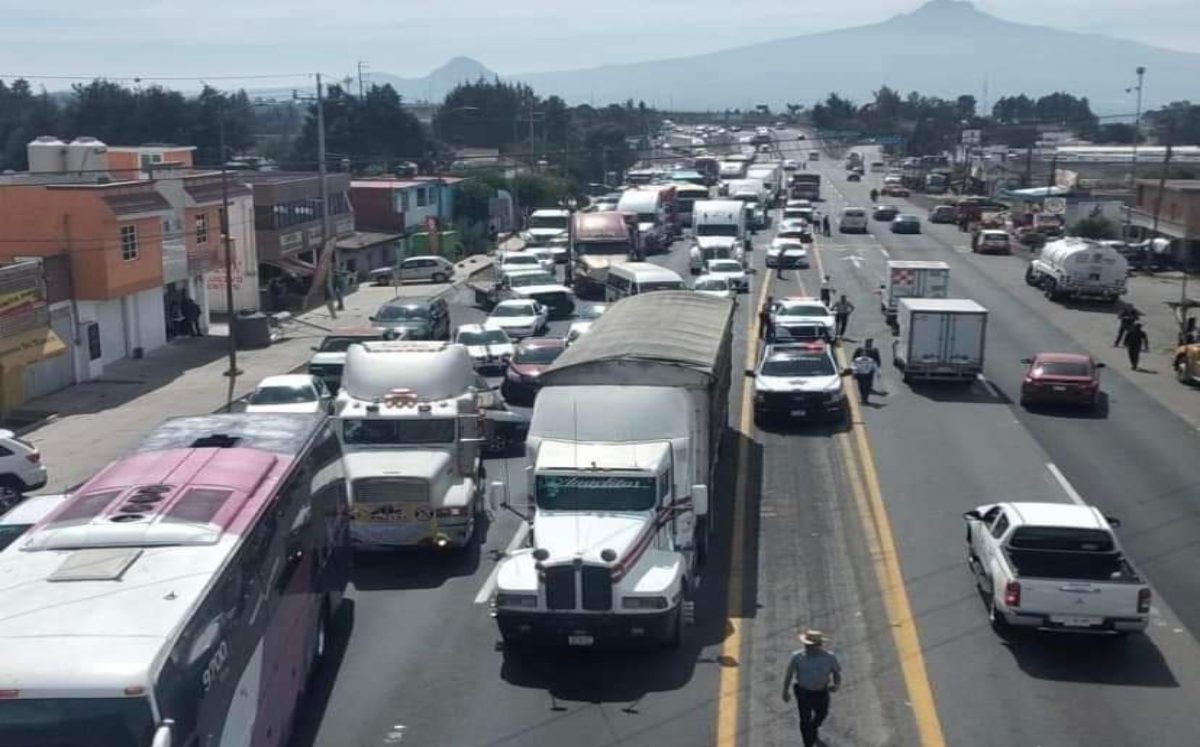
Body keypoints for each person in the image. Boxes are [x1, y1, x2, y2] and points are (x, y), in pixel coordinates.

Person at [782, 629, 842, 747]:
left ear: (819, 645)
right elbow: (789, 674)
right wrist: (785, 691)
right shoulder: (797, 657)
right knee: (805, 719)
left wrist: (836, 685)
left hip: (821, 692)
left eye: (811, 645)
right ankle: (808, 742)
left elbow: (836, 672)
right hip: (803, 692)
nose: (808, 647)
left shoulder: (829, 657)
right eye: (807, 645)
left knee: (822, 713)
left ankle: (813, 728)